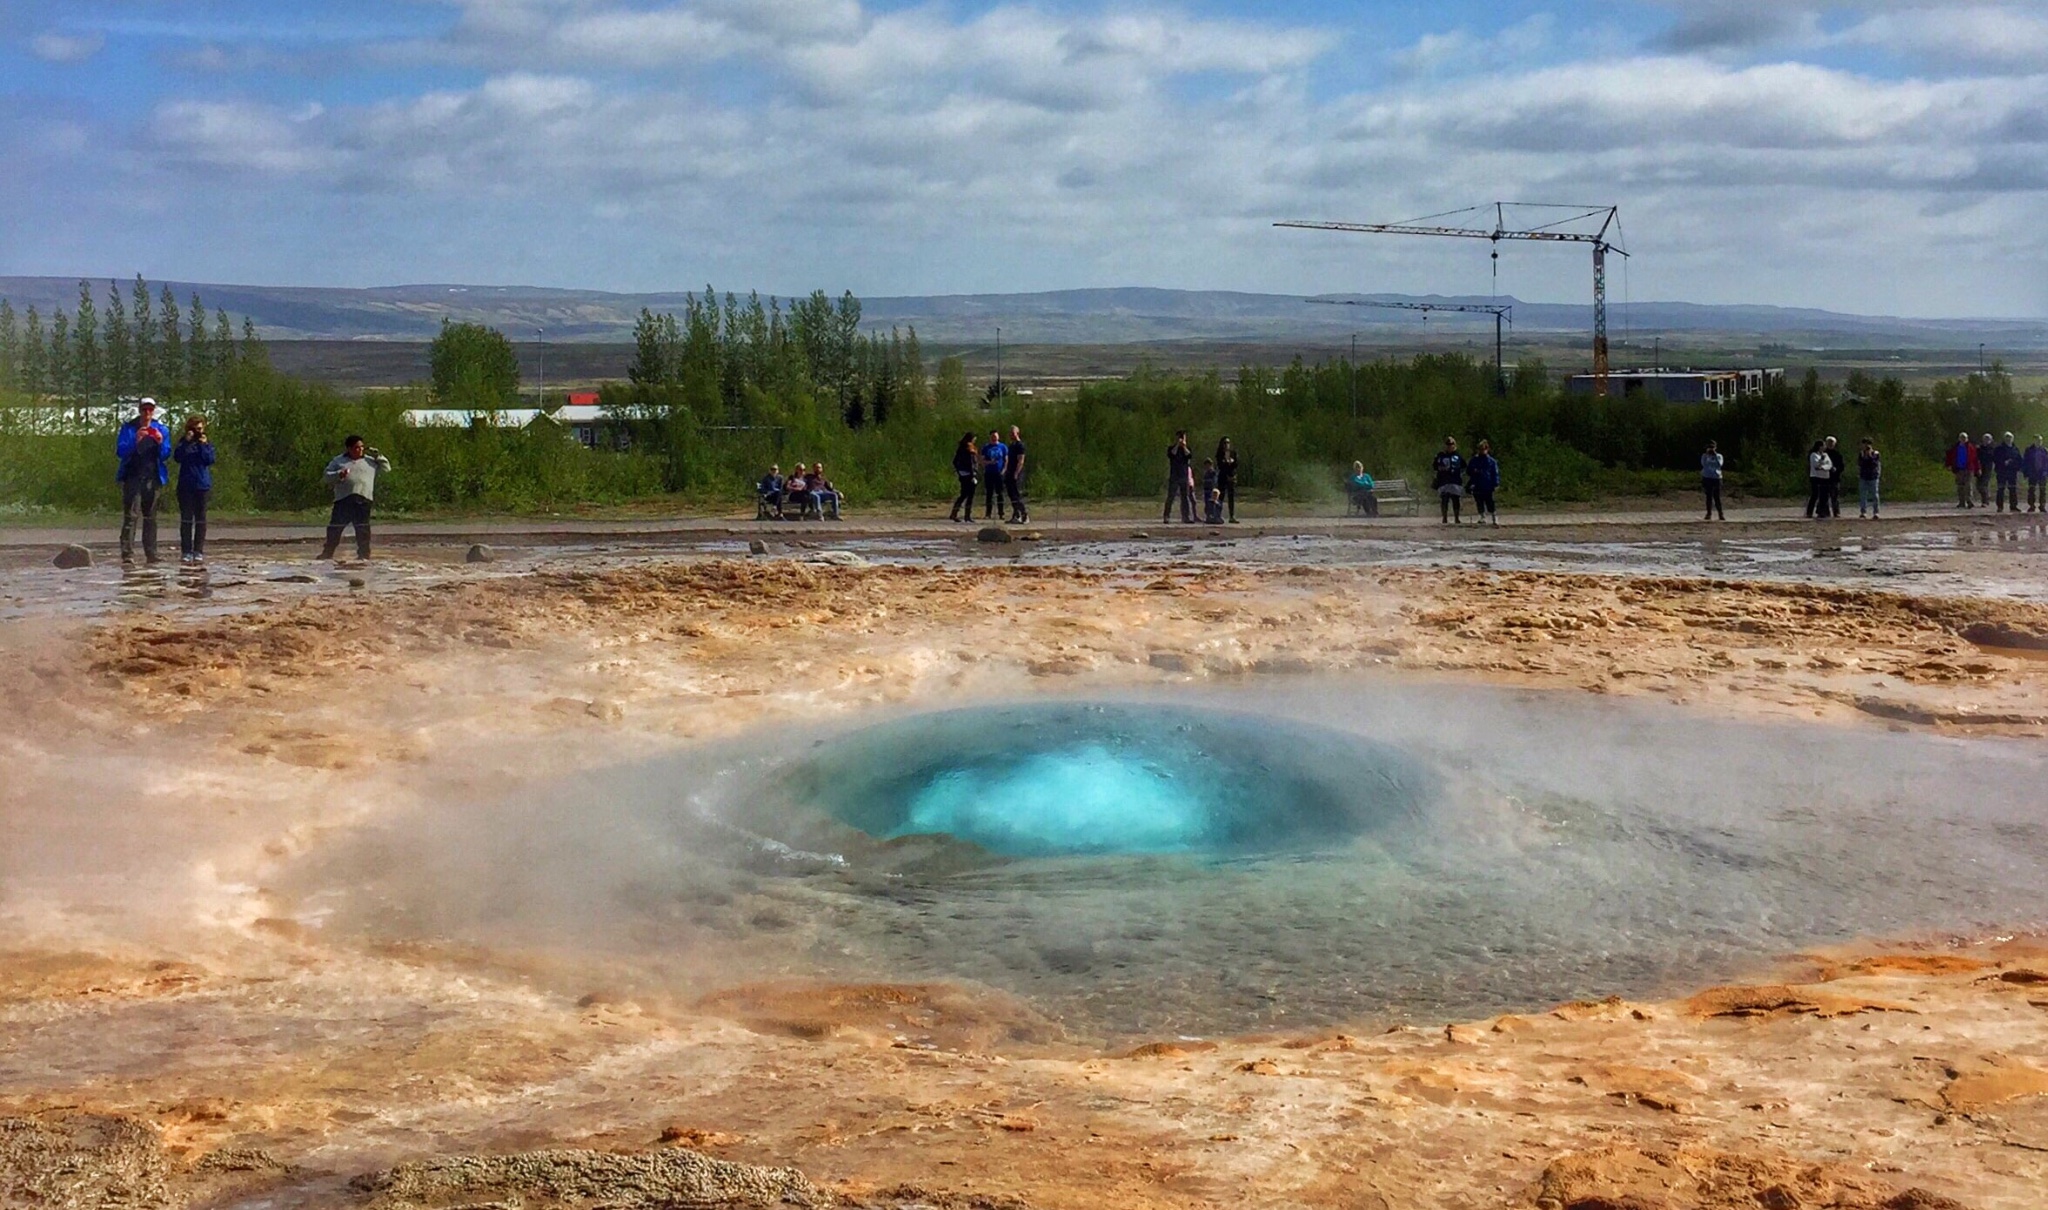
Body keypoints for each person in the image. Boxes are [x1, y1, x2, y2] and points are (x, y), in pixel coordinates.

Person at [114, 398, 171, 565]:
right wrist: (135, 441)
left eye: (150, 410)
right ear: (139, 410)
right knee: (131, 516)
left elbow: (166, 455)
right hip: (133, 477)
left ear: (153, 411)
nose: (147, 413)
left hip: (152, 478)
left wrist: (160, 443)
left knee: (150, 518)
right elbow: (121, 451)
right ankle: (127, 554)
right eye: (144, 410)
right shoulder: (129, 428)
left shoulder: (161, 429)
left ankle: (151, 553)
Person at [319, 434, 391, 561]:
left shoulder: (371, 461)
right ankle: (327, 553)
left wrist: (379, 456)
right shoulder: (338, 461)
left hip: (363, 499)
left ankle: (364, 555)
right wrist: (338, 474)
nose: (360, 450)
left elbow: (387, 469)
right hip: (344, 500)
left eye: (362, 447)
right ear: (349, 448)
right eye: (357, 448)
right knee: (335, 528)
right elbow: (326, 476)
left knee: (362, 529)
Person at [172, 415, 216, 563]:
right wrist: (187, 441)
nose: (197, 432)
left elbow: (209, 460)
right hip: (186, 486)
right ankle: (186, 551)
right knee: (186, 519)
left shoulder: (206, 443)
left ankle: (198, 550)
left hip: (202, 485)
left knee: (201, 519)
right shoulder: (184, 442)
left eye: (199, 429)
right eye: (194, 428)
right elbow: (177, 457)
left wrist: (203, 445)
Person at [1466, 439, 1501, 526]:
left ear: (1487, 449)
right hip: (1477, 484)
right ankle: (1482, 517)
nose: (1482, 451)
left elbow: (1495, 473)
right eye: (1480, 449)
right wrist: (1474, 471)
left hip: (1488, 485)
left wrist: (1496, 483)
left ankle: (1494, 517)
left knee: (1490, 502)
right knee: (1479, 501)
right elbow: (1468, 471)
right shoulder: (1474, 460)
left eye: (1484, 449)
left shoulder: (1492, 461)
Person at [1163, 430, 1195, 523]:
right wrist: (1177, 445)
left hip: (1184, 476)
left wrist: (1184, 446)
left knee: (1185, 497)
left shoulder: (1187, 448)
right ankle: (1166, 516)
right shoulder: (1171, 448)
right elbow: (1172, 454)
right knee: (1171, 496)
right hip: (1174, 476)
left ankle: (1186, 517)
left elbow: (1189, 455)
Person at [1432, 436, 1465, 524]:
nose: (1449, 446)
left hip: (1455, 481)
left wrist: (1460, 474)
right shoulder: (1440, 456)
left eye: (1451, 444)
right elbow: (1434, 466)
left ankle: (1457, 518)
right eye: (1448, 444)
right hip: (1444, 481)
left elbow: (1464, 466)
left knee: (1455, 500)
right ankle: (1444, 517)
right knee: (1444, 499)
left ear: (1454, 445)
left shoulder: (1458, 456)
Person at [949, 433, 979, 522]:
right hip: (969, 474)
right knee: (969, 495)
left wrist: (959, 471)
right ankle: (966, 515)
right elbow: (971, 463)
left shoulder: (960, 448)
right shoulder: (969, 449)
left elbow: (955, 461)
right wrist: (973, 474)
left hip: (963, 474)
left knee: (963, 495)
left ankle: (955, 513)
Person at [980, 429, 1008, 520]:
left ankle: (1001, 513)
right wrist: (989, 463)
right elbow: (982, 460)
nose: (994, 438)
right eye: (992, 436)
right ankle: (988, 513)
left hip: (999, 473)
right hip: (989, 473)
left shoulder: (1003, 447)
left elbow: (1006, 460)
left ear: (998, 437)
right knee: (989, 494)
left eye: (995, 436)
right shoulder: (986, 447)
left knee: (1000, 493)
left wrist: (1004, 470)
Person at [1993, 432, 2023, 513]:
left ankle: (2013, 506)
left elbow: (2019, 460)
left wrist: (2018, 467)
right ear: (2004, 438)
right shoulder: (1999, 449)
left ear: (2012, 439)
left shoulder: (2015, 449)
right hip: (2001, 471)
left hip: (2012, 472)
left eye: (2010, 437)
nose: (2008, 439)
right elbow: (1995, 458)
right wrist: (2003, 462)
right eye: (2007, 437)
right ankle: (2000, 506)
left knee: (2013, 489)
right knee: (2001, 489)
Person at [1005, 425, 1029, 523]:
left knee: (1017, 495)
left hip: (1017, 473)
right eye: (1010, 433)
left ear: (1017, 433)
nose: (1011, 435)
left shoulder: (1020, 445)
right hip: (1009, 472)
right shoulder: (1011, 446)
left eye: (1013, 433)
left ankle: (1024, 514)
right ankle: (1016, 515)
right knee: (1011, 495)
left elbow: (1021, 461)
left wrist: (1016, 473)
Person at [1946, 432, 1978, 508]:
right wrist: (1948, 465)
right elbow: (1950, 456)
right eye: (1962, 438)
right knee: (1960, 486)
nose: (1963, 439)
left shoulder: (1971, 448)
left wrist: (1978, 468)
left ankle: (1969, 501)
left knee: (1968, 485)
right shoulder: (1955, 448)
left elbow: (1975, 459)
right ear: (1959, 438)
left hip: (1968, 469)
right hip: (1959, 469)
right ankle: (1961, 502)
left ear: (1967, 439)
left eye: (1964, 438)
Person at [1214, 437, 1240, 523]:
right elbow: (1220, 465)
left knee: (1231, 497)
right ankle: (1218, 515)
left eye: (1228, 443)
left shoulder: (1233, 453)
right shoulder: (1220, 454)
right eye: (1225, 443)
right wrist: (1226, 462)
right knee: (1220, 496)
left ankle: (1232, 516)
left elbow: (1236, 464)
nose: (1226, 445)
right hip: (1222, 477)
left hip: (1231, 477)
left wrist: (1231, 463)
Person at [1856, 438, 1882, 519]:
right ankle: (1863, 512)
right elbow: (1860, 464)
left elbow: (1874, 463)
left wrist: (1870, 455)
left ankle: (1876, 512)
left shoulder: (1876, 453)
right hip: (1863, 477)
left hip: (1873, 477)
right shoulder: (1861, 454)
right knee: (1863, 495)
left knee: (1875, 495)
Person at [1805, 440, 1831, 520]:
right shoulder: (1813, 455)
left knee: (1824, 495)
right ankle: (1809, 512)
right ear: (1819, 446)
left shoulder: (1826, 455)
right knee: (1815, 494)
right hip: (1816, 477)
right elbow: (1816, 465)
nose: (1825, 447)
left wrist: (1823, 467)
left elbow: (1829, 464)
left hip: (1825, 477)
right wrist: (1821, 461)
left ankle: (1822, 511)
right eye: (1823, 445)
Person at [1700, 441, 1726, 521]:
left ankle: (1720, 513)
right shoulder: (1704, 456)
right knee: (1709, 496)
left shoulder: (1719, 456)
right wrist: (1708, 455)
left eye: (1712, 447)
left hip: (1716, 478)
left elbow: (1719, 465)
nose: (1711, 449)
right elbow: (1704, 464)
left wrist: (1715, 455)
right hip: (1707, 477)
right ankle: (1709, 513)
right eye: (1709, 447)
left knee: (1717, 496)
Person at [1823, 436, 1844, 518]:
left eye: (1832, 442)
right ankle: (1825, 512)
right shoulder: (1823, 454)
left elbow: (1842, 466)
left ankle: (1836, 512)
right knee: (1824, 496)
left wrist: (1836, 469)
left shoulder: (1838, 455)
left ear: (1834, 444)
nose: (1830, 444)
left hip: (1835, 478)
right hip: (1824, 478)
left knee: (1835, 496)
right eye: (1828, 442)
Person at [2025, 435, 2048, 512]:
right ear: (2034, 441)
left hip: (2042, 474)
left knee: (2043, 490)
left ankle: (2042, 506)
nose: (2039, 442)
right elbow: (2026, 461)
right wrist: (2026, 472)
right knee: (2031, 490)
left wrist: (2046, 471)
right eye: (2037, 440)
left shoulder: (2045, 450)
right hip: (2032, 473)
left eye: (2040, 440)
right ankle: (2031, 505)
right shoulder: (2029, 450)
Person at [1974, 433, 1996, 507]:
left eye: (1988, 439)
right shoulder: (1979, 449)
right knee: (1978, 485)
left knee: (1983, 484)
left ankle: (1985, 501)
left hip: (1988, 468)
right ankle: (1986, 496)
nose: (1986, 440)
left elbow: (1994, 459)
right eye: (1985, 439)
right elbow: (1976, 458)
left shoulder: (1992, 449)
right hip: (1979, 468)